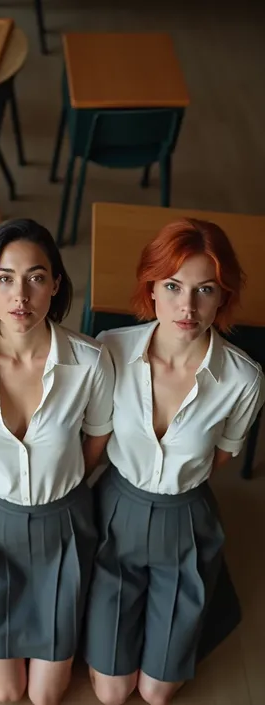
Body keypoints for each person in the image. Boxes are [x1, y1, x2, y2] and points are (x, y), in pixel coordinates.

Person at [83, 218, 265, 705]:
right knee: (112, 691)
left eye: (205, 290)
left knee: (158, 692)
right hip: (116, 509)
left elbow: (222, 455)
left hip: (185, 515)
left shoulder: (243, 379)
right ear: (152, 288)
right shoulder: (110, 349)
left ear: (222, 296)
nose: (187, 306)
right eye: (173, 286)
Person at [0, 218, 114, 705]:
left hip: (63, 520)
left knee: (46, 695)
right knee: (7, 691)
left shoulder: (90, 361)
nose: (21, 294)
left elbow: (97, 438)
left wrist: (58, 480)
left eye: (36, 277)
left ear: (55, 284)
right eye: (5, 277)